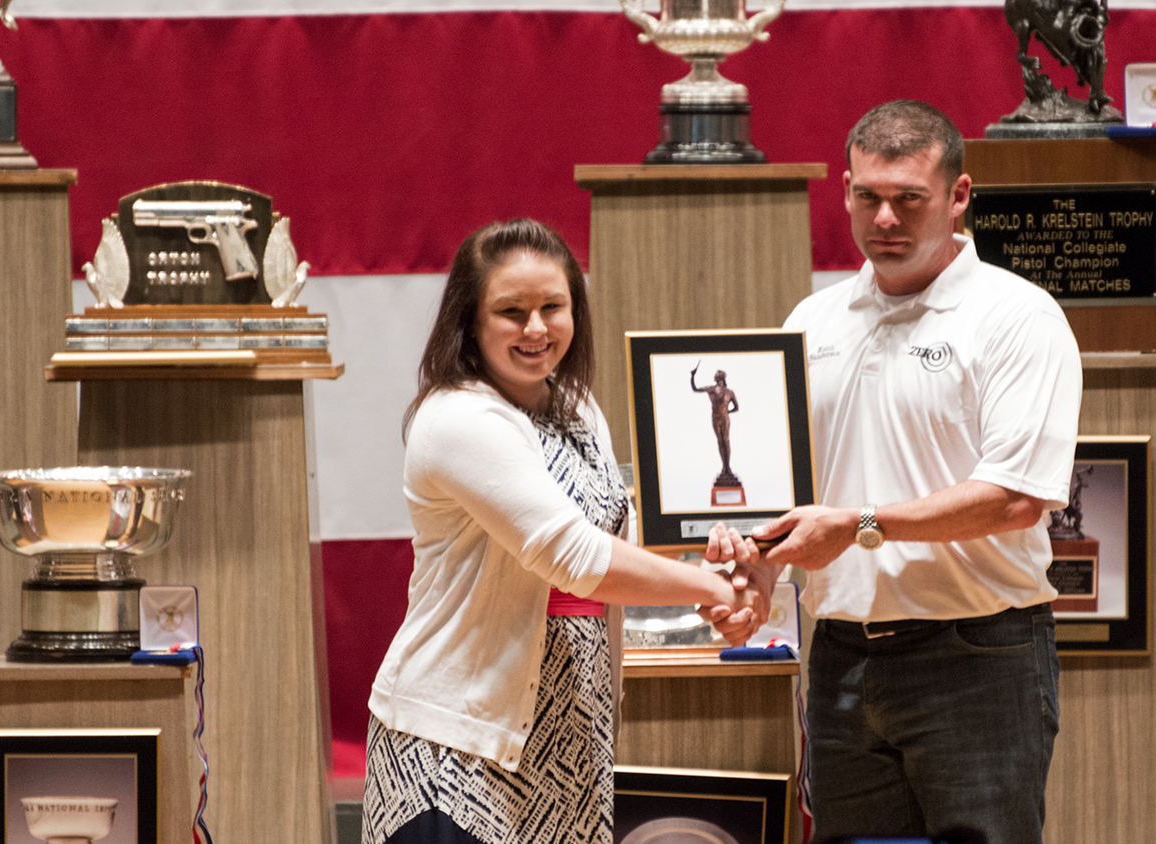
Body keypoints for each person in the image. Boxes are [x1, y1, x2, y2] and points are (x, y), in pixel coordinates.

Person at [364, 218, 771, 844]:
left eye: (553, 306)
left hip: (571, 742)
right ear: (470, 321)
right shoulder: (458, 418)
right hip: (459, 749)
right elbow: (575, 558)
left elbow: (619, 542)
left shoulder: (578, 407)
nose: (536, 328)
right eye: (511, 311)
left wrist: (717, 553)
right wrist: (715, 589)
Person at [752, 100, 1082, 842]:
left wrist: (861, 526)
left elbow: (1014, 501)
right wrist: (760, 568)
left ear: (959, 197)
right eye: (868, 196)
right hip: (840, 652)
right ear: (844, 189)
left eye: (909, 199)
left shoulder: (1017, 317)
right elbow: (788, 489)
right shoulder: (812, 322)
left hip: (977, 655)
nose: (885, 219)